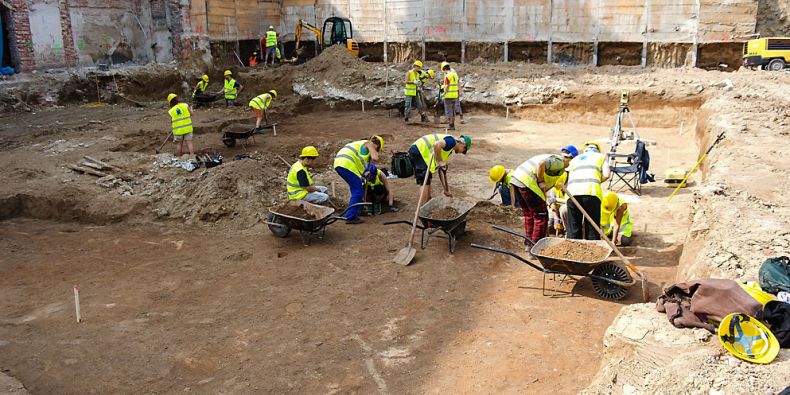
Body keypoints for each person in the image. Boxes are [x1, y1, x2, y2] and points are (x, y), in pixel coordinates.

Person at [508, 149, 574, 244]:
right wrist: (540, 181)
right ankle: (536, 247)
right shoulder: (559, 162)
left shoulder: (555, 163)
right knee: (541, 216)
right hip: (528, 182)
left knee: (529, 215)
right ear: (570, 159)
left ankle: (529, 244)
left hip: (517, 179)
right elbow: (541, 163)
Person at [333, 135, 385, 224]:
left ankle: (358, 210)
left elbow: (360, 165)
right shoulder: (369, 144)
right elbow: (375, 157)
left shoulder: (361, 147)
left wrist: (364, 174)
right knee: (358, 190)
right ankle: (350, 217)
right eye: (378, 149)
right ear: (377, 145)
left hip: (341, 164)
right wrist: (374, 151)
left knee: (357, 188)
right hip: (346, 165)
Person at [409, 133, 471, 206]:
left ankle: (427, 204)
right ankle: (422, 209)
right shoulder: (452, 141)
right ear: (463, 144)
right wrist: (441, 161)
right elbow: (437, 144)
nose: (461, 152)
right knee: (424, 182)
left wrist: (445, 189)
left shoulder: (449, 150)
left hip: (421, 152)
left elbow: (441, 170)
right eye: (463, 150)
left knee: (427, 179)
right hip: (419, 150)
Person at [565, 141, 610, 240]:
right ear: (597, 150)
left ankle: (573, 253)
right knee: (592, 226)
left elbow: (567, 175)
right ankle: (592, 253)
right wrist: (596, 181)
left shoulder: (575, 159)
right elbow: (607, 175)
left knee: (573, 228)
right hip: (591, 192)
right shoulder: (601, 157)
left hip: (572, 194)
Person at [166, 93, 195, 157]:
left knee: (179, 144)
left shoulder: (171, 111)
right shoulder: (185, 105)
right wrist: (191, 108)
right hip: (188, 128)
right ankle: (192, 156)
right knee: (189, 143)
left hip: (178, 130)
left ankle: (179, 157)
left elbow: (172, 121)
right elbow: (192, 114)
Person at [441, 62, 460, 130]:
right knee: (453, 110)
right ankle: (453, 125)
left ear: (444, 69)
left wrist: (443, 94)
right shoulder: (455, 74)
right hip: (455, 95)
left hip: (448, 96)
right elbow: (457, 83)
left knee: (448, 111)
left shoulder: (447, 76)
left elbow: (447, 86)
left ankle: (450, 126)